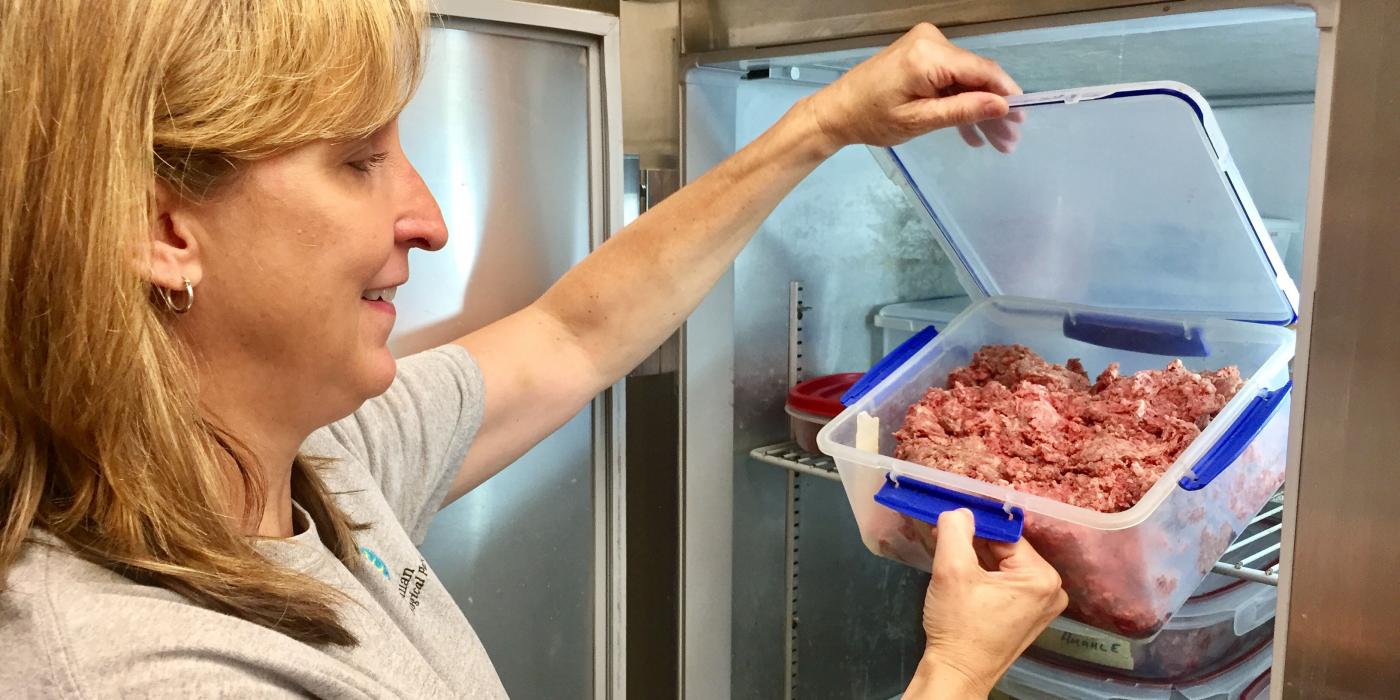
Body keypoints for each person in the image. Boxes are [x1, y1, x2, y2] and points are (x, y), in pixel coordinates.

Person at [0, 1, 1065, 697]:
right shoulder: (145, 671)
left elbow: (570, 333)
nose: (428, 219)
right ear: (162, 227)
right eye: (359, 160)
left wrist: (822, 122)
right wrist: (955, 670)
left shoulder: (313, 464)